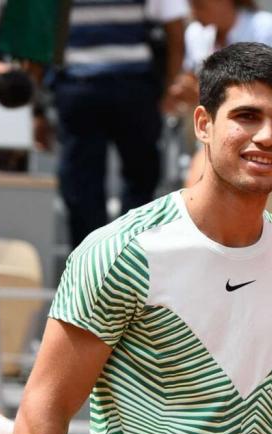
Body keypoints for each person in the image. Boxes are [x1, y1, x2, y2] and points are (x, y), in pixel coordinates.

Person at [13, 43, 272, 434]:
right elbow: (41, 415)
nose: (267, 136)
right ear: (203, 124)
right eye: (247, 116)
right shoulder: (124, 252)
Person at [54, 0, 188, 248]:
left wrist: (171, 87)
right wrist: (170, 86)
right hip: (121, 87)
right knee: (130, 180)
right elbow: (175, 28)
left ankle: (109, 264)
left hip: (89, 87)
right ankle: (107, 263)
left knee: (95, 185)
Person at [170, 0, 272, 187]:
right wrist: (182, 89)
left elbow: (267, 85)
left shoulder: (263, 25)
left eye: (198, 5)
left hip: (255, 133)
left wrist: (201, 91)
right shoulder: (195, 33)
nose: (192, 12)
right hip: (212, 138)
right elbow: (191, 77)